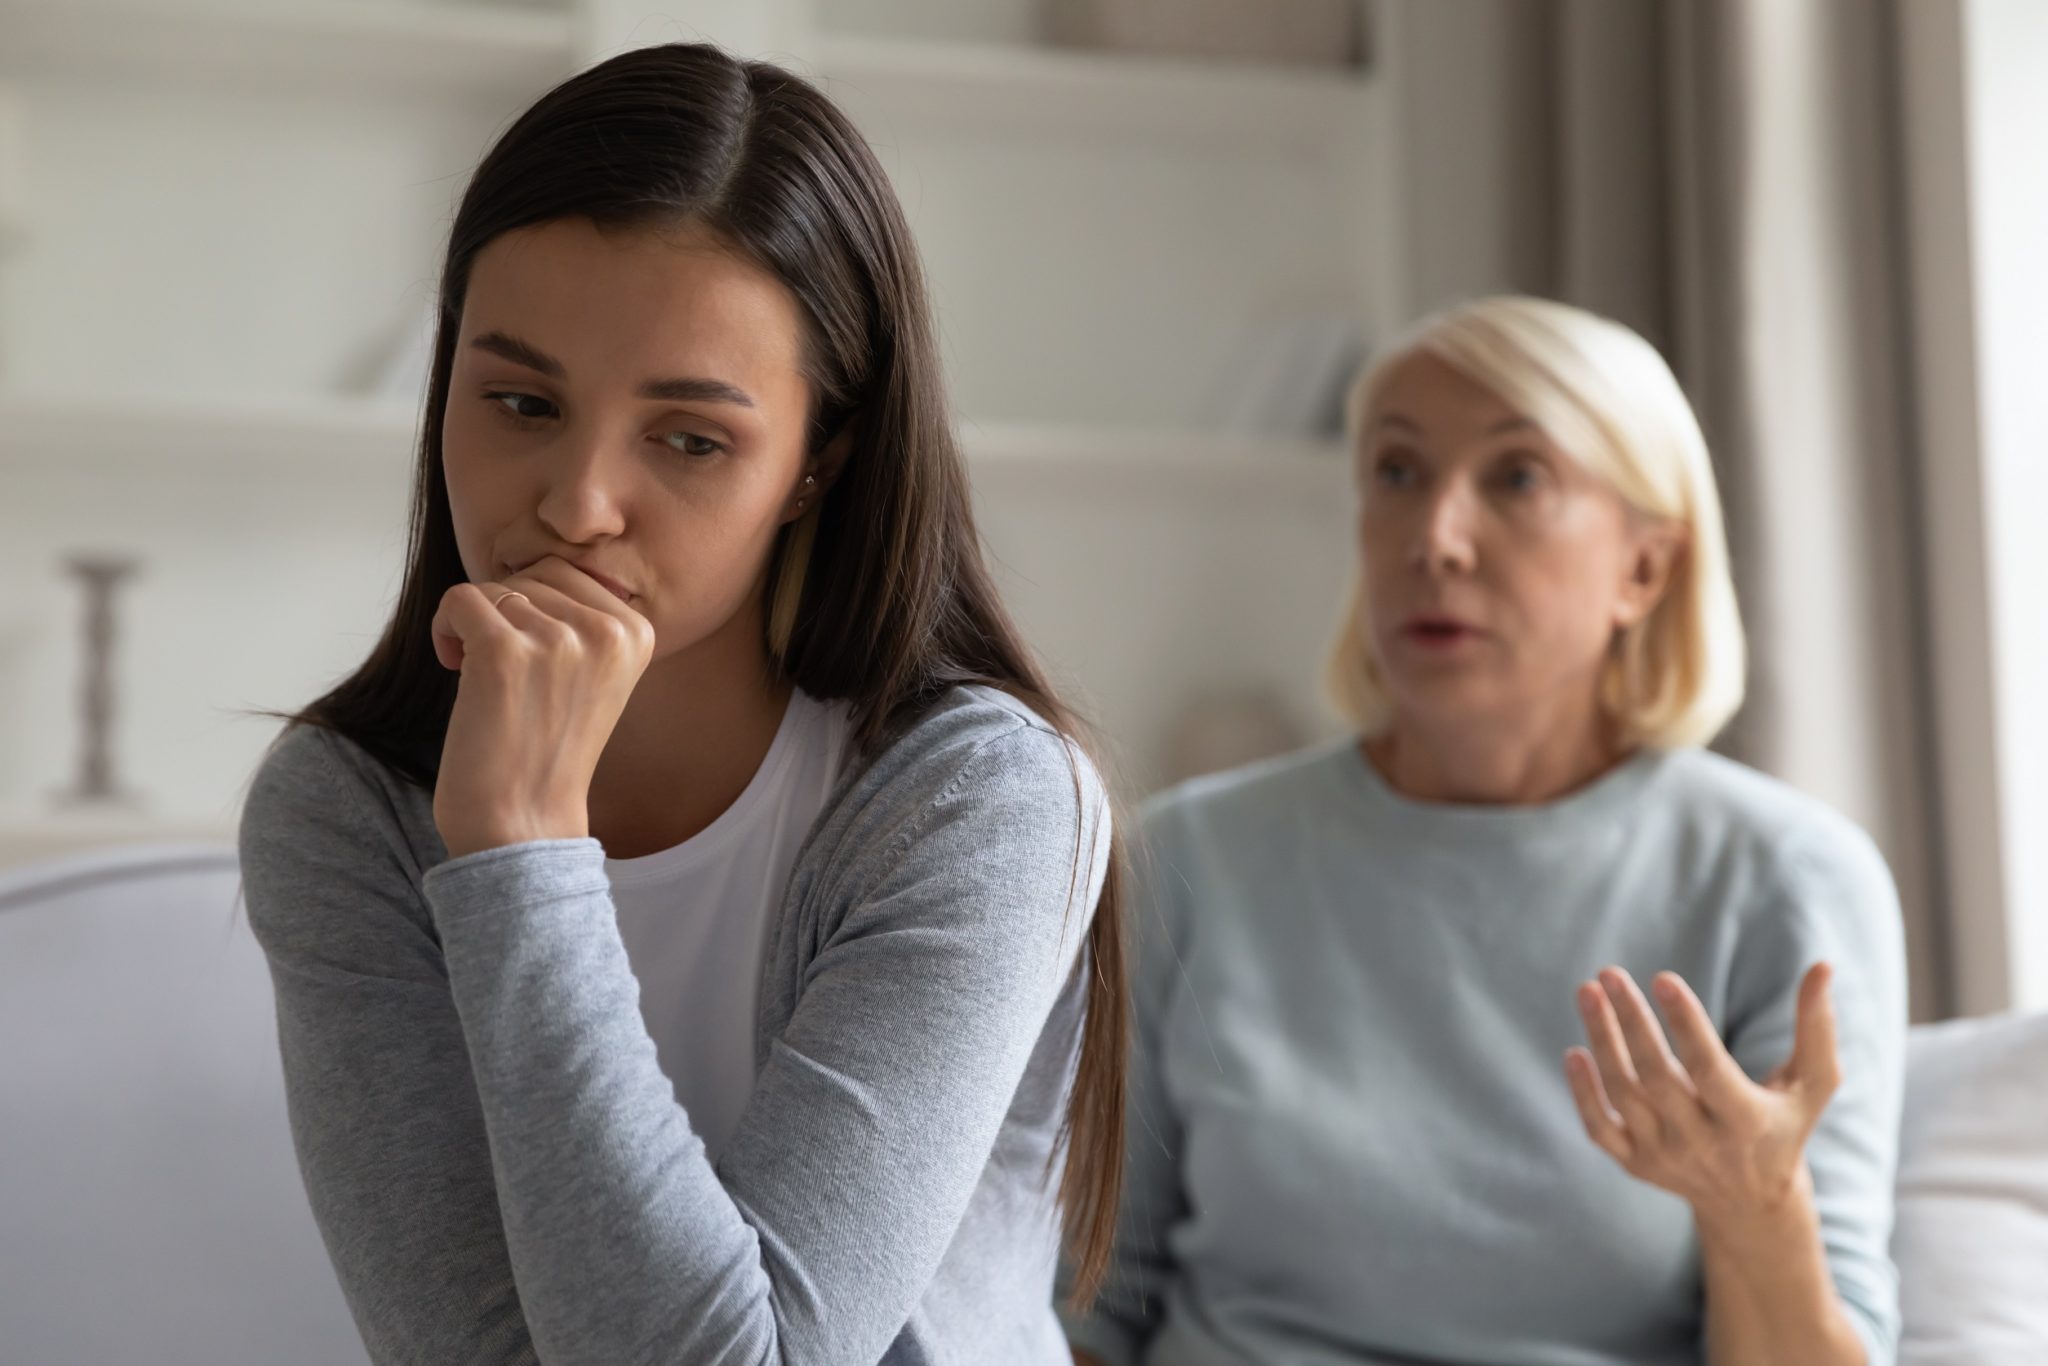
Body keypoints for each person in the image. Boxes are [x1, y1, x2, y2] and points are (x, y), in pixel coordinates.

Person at [235, 41, 1128, 1365]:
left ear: (818, 460)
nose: (578, 502)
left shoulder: (979, 800)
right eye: (521, 400)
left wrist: (526, 851)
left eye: (691, 437)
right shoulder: (348, 806)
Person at [1061, 295, 1906, 1366]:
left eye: (1515, 478)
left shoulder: (1781, 877)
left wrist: (1754, 1210)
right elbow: (1081, 1311)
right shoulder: (1181, 860)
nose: (1434, 537)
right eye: (1396, 472)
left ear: (1643, 568)